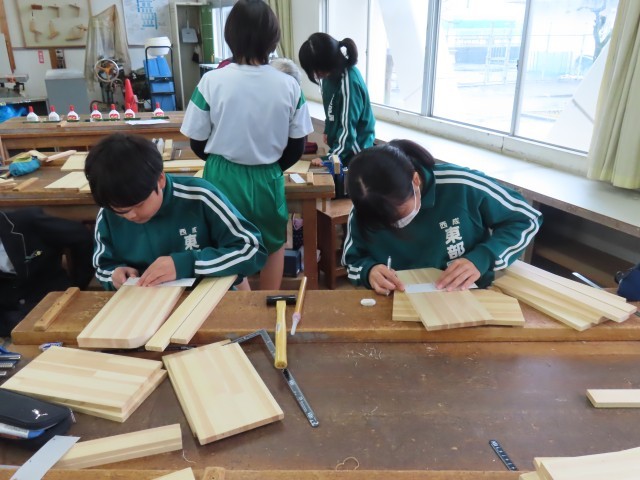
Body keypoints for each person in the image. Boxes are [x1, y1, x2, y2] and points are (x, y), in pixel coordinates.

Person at [180, 0, 313, 290]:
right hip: (268, 176)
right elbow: (297, 145)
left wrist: (219, 161)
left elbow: (197, 141)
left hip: (222, 176)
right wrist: (270, 166)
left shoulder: (211, 81)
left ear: (230, 36)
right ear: (273, 38)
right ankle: (268, 301)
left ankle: (242, 300)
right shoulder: (289, 85)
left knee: (227, 244)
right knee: (273, 242)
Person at [342, 140, 543, 295]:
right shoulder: (365, 208)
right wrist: (369, 271)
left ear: (415, 180)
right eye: (385, 223)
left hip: (466, 295)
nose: (396, 225)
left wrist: (482, 258)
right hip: (398, 300)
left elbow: (526, 218)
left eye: (399, 214)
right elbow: (352, 260)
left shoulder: (462, 186)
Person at [85, 133, 267, 291]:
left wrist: (187, 264)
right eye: (121, 211)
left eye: (139, 205)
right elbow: (102, 267)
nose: (131, 215)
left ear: (160, 180)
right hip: (144, 303)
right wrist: (114, 275)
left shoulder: (199, 196)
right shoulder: (108, 212)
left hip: (205, 298)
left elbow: (252, 250)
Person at [0, 208, 94, 336]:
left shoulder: (27, 221)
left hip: (48, 301)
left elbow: (81, 236)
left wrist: (78, 284)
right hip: (7, 310)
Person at [298, 32, 375, 168]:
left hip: (356, 153)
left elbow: (348, 130)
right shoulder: (327, 78)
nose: (315, 75)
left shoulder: (349, 82)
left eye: (315, 70)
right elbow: (331, 108)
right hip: (343, 149)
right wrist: (328, 129)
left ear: (326, 63)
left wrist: (330, 158)